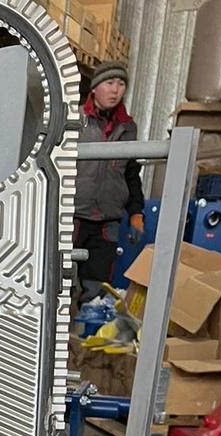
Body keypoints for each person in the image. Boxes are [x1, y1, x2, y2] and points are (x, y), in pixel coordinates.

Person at [74, 62, 145, 302]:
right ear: (94, 88)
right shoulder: (74, 119)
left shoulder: (128, 127)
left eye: (121, 84)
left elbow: (131, 174)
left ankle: (87, 324)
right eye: (109, 83)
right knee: (60, 282)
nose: (115, 90)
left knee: (97, 288)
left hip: (107, 220)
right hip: (72, 216)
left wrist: (136, 213)